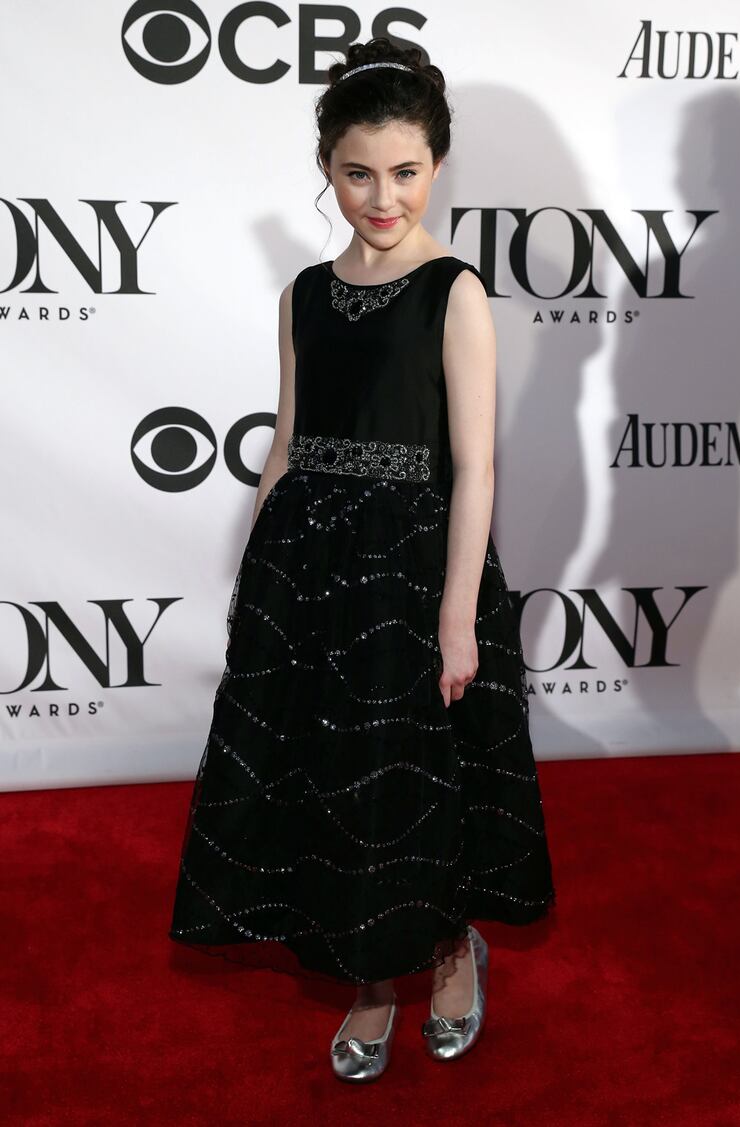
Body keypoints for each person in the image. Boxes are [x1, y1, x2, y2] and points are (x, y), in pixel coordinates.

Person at [168, 36, 556, 1083]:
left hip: (416, 573)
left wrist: (450, 613)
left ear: (435, 166)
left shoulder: (452, 290)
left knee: (417, 779)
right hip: (309, 569)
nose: (379, 196)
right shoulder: (302, 291)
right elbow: (286, 446)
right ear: (326, 168)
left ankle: (443, 953)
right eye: (355, 172)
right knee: (337, 784)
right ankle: (369, 979)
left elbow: (475, 468)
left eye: (404, 171)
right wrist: (261, 580)